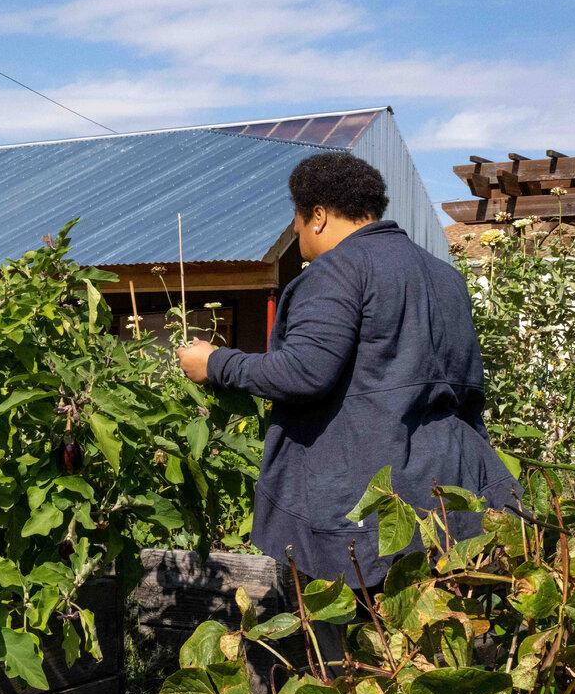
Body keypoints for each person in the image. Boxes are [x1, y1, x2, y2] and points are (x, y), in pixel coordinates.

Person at [177, 153, 518, 589]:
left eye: (296, 218)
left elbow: (303, 371)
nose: (296, 231)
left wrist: (215, 363)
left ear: (317, 215)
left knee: (342, 646)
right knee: (421, 645)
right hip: (446, 497)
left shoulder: (337, 270)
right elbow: (469, 389)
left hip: (362, 507)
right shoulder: (444, 277)